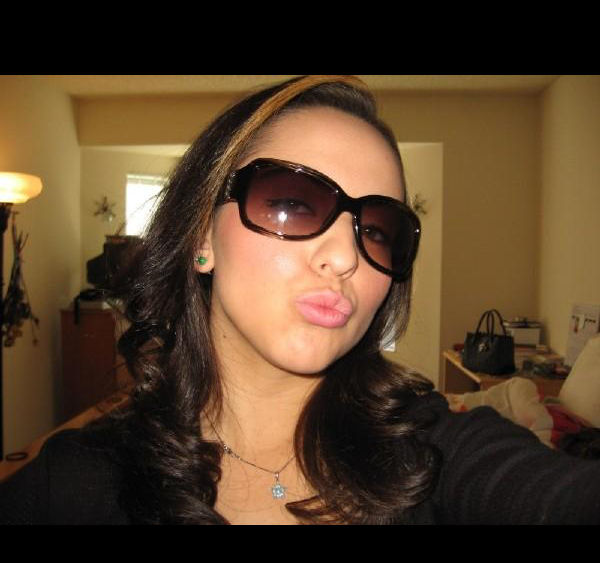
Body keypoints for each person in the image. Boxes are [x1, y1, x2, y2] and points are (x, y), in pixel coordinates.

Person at [1, 74, 600, 525]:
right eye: (291, 202)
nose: (345, 256)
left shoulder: (438, 450)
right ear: (201, 237)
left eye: (377, 230)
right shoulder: (73, 484)